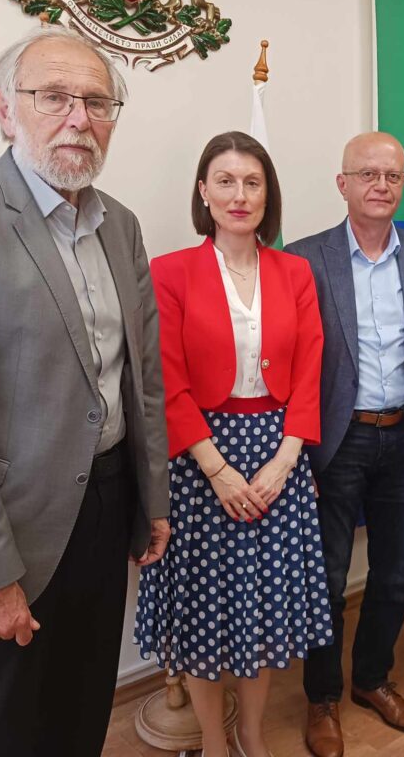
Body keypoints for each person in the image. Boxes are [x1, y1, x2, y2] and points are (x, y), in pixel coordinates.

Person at [0, 26, 170, 756]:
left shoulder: (120, 225)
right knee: (4, 735)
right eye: (54, 97)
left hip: (105, 506)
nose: (79, 117)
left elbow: (140, 378)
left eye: (97, 102)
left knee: (81, 714)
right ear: (5, 109)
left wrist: (152, 499)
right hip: (8, 529)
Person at [134, 131, 332, 757]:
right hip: (200, 461)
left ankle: (250, 735)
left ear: (268, 194)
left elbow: (311, 366)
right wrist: (216, 468)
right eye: (225, 181)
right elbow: (164, 378)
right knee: (203, 616)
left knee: (263, 610)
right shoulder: (169, 273)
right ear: (204, 192)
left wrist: (287, 457)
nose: (239, 195)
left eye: (252, 182)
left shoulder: (295, 271)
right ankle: (214, 745)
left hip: (279, 456)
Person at [285, 132, 404, 757]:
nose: (381, 185)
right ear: (343, 184)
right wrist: (297, 452)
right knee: (326, 579)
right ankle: (322, 696)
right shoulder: (305, 260)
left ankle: (372, 680)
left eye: (392, 176)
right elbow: (292, 365)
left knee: (394, 577)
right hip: (337, 441)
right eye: (368, 174)